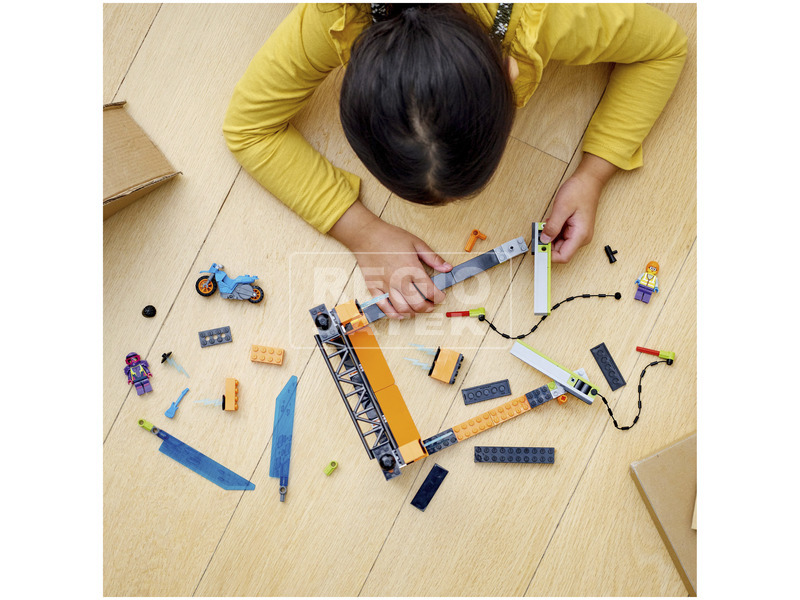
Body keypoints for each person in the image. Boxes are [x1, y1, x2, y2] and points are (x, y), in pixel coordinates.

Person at [224, 3, 687, 319]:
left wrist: (594, 173)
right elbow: (247, 128)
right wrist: (360, 229)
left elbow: (665, 48)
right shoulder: (336, 18)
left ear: (509, 69)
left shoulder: (550, 16)